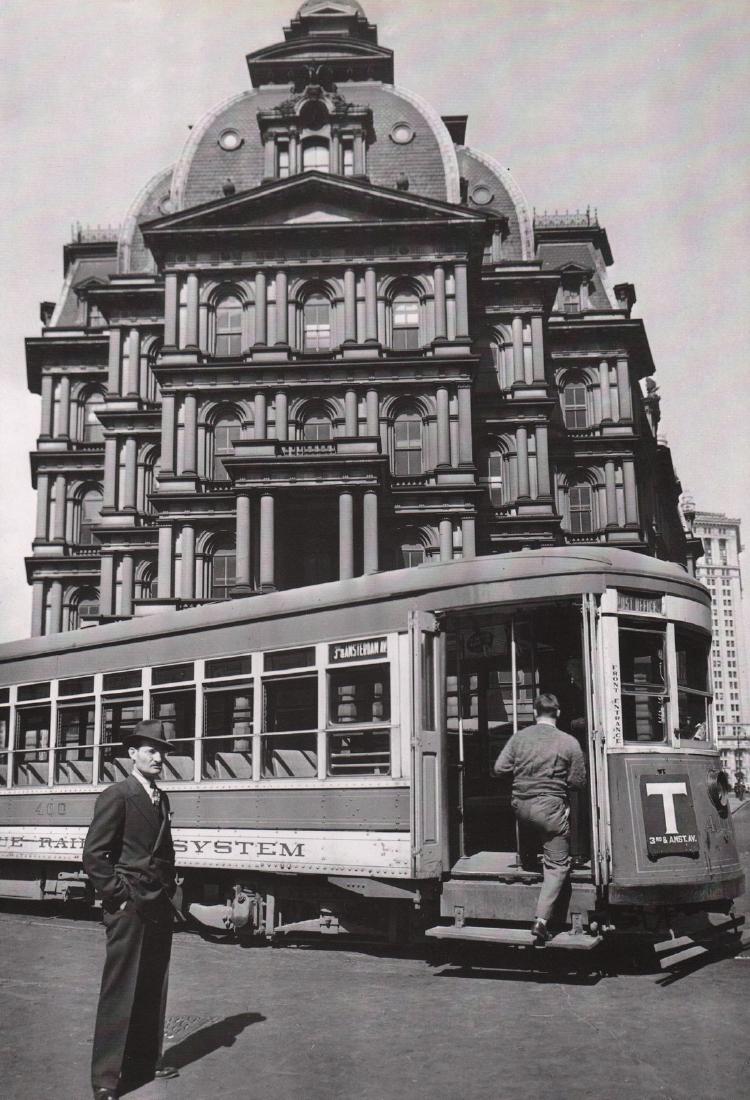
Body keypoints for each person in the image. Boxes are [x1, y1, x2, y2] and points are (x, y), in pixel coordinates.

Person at [83, 719, 181, 1099]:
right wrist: (118, 895)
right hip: (129, 907)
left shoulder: (161, 796)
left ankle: (141, 1064)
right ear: (133, 755)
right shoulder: (118, 795)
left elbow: (163, 853)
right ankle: (106, 1079)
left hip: (157, 905)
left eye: (162, 751)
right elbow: (94, 854)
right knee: (120, 990)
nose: (159, 757)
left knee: (152, 986)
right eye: (151, 750)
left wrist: (169, 891)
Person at [493, 693, 586, 945]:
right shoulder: (569, 742)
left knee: (532, 824)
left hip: (521, 807)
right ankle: (542, 921)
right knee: (557, 865)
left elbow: (499, 769)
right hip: (550, 810)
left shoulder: (519, 737)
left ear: (535, 713)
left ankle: (526, 857)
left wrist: (523, 772)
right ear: (558, 714)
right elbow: (578, 782)